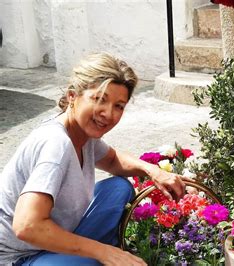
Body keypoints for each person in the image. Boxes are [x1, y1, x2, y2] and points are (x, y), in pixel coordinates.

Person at [0, 53, 187, 265]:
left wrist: (153, 171)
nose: (108, 113)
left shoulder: (82, 134)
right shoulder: (56, 145)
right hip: (20, 257)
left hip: (52, 239)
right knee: (98, 261)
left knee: (119, 187)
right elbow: (27, 226)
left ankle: (87, 254)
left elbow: (112, 160)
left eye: (119, 106)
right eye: (99, 99)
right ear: (72, 96)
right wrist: (103, 252)